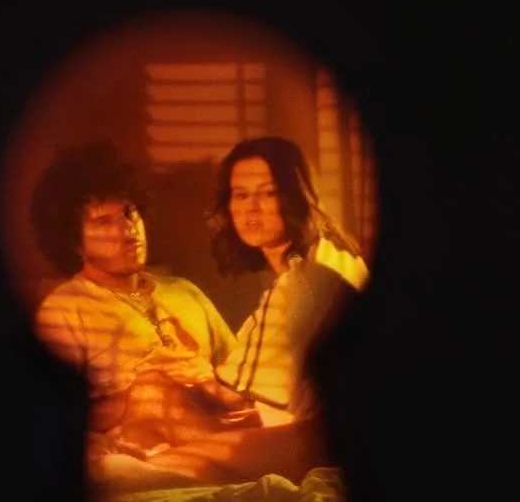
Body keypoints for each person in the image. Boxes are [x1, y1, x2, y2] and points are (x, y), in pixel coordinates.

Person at [29, 141, 259, 491]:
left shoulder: (184, 291)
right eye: (104, 221)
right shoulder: (64, 309)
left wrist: (206, 379)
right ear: (74, 242)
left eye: (129, 212)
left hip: (223, 424)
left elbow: (244, 383)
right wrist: (139, 389)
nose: (126, 229)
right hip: (150, 445)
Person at [146, 135, 369, 487]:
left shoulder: (303, 282)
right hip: (315, 426)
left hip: (323, 440)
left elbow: (233, 394)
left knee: (145, 465)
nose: (252, 209)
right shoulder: (331, 253)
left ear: (296, 196)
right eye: (241, 194)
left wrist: (188, 372)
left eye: (268, 193)